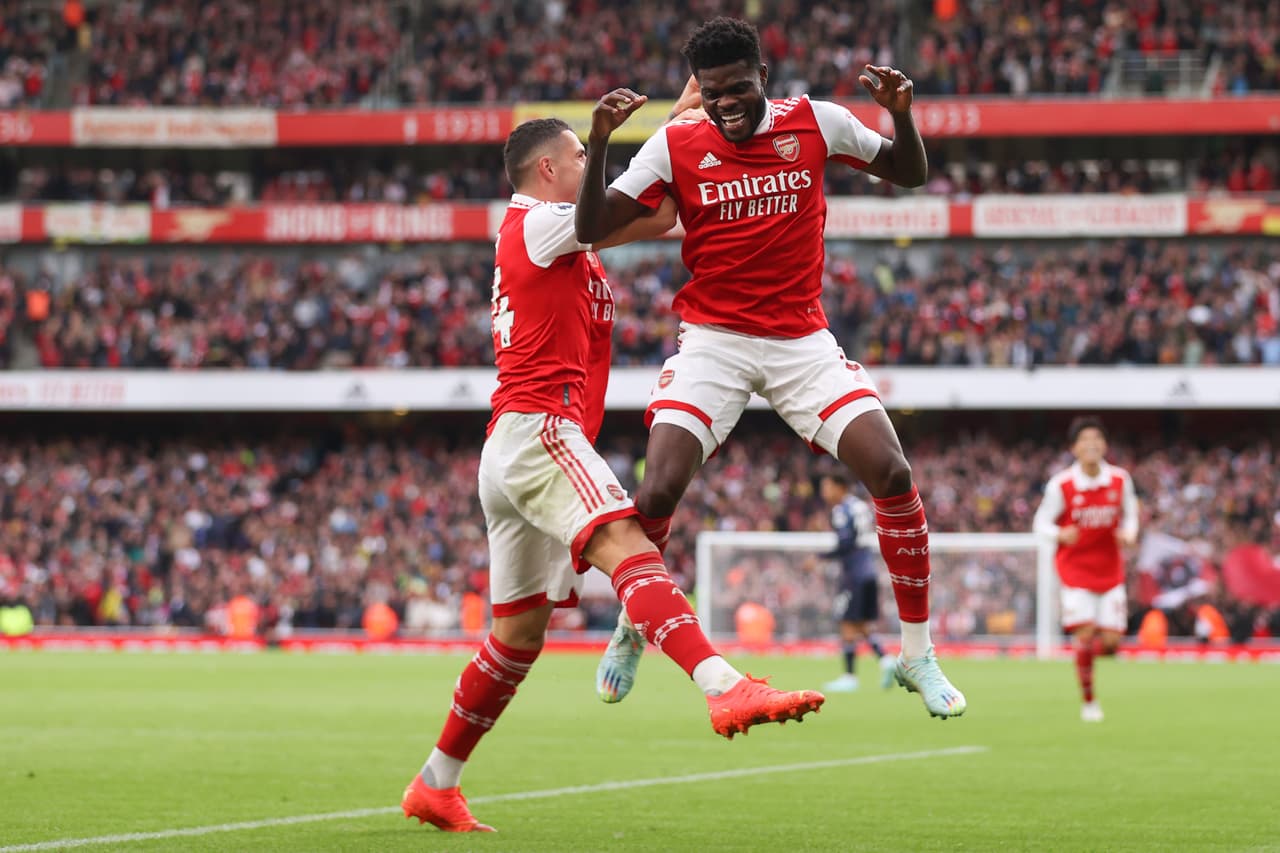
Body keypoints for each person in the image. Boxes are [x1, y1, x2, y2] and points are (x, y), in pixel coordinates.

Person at [400, 116, 825, 834]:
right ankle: (722, 684)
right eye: (578, 155)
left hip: (515, 440)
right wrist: (642, 142)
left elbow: (655, 213)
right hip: (541, 429)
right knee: (628, 542)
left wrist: (688, 117)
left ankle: (436, 783)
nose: (591, 164)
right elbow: (627, 202)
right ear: (546, 172)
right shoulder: (540, 224)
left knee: (516, 637)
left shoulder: (563, 235)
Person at [578, 16, 964, 719]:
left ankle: (916, 653)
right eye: (714, 94)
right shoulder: (674, 142)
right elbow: (590, 226)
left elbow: (909, 172)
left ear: (763, 78)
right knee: (658, 487)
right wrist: (602, 142)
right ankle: (634, 624)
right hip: (714, 340)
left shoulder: (815, 122)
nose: (726, 105)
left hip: (800, 340)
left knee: (894, 471)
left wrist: (901, 119)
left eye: (738, 90)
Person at [1033, 416, 1139, 723]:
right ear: (1074, 448)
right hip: (1075, 571)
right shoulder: (1061, 484)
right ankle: (1089, 700)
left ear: (1105, 445)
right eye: (1084, 439)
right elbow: (1040, 523)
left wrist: (1130, 533)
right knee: (1085, 633)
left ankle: (1081, 656)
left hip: (1109, 571)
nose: (1091, 444)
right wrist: (1059, 534)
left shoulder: (1120, 479)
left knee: (1110, 642)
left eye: (1097, 438)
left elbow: (1131, 514)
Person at [817, 470, 895, 693]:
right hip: (868, 569)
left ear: (839, 487)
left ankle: (849, 677)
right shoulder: (861, 506)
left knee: (846, 622)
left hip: (853, 574)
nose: (824, 492)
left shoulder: (841, 510)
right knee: (861, 624)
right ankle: (886, 660)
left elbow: (845, 544)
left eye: (827, 487)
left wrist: (819, 558)